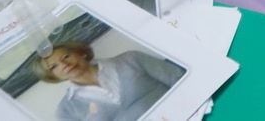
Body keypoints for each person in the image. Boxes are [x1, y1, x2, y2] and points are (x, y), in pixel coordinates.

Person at [32, 42, 183, 121]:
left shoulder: (131, 59)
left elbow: (180, 79)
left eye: (66, 56)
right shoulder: (65, 111)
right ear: (52, 76)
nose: (64, 64)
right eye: (54, 67)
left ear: (81, 53)